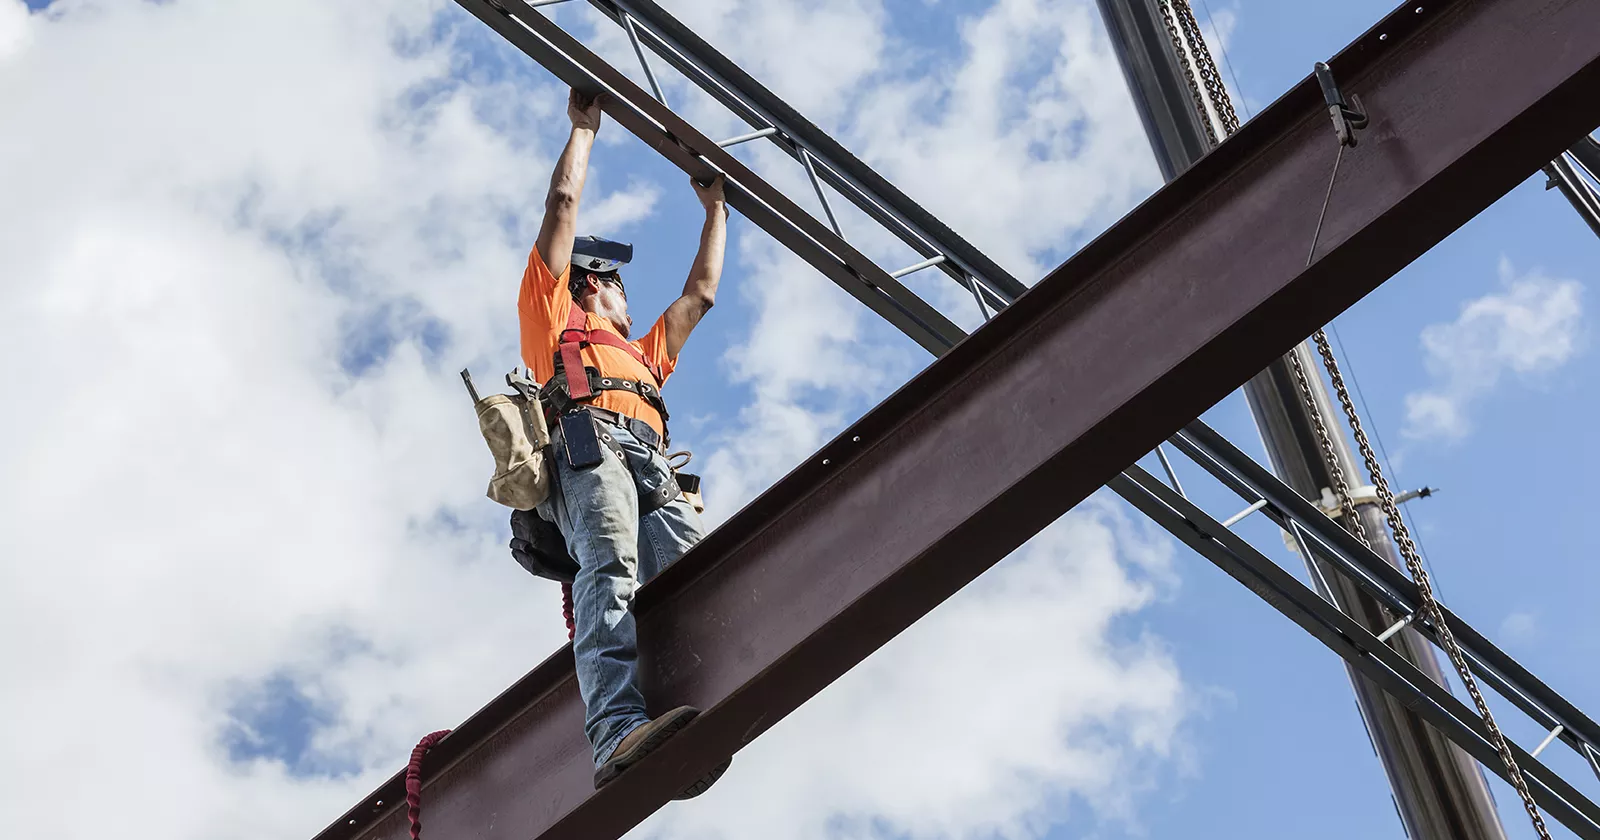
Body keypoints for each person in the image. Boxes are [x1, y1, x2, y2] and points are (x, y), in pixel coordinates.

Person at [518, 87, 731, 799]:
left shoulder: (643, 354)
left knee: (700, 579)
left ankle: (711, 703)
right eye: (616, 284)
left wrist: (717, 212)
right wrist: (582, 132)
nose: (627, 296)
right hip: (591, 447)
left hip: (650, 463)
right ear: (593, 283)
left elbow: (699, 295)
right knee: (608, 568)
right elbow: (562, 210)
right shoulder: (551, 315)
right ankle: (616, 730)